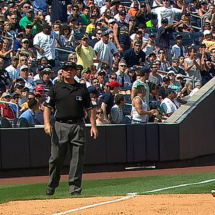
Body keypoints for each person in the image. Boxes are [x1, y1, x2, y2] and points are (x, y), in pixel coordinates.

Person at [44, 61, 98, 196]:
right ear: (62, 71)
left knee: (77, 158)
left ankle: (75, 187)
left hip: (78, 124)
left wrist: (93, 125)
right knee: (56, 158)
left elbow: (90, 108)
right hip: (60, 124)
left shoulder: (82, 89)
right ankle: (52, 184)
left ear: (75, 72)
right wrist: (46, 123)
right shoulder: (56, 87)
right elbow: (47, 107)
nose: (69, 71)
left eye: (71, 69)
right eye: (66, 69)